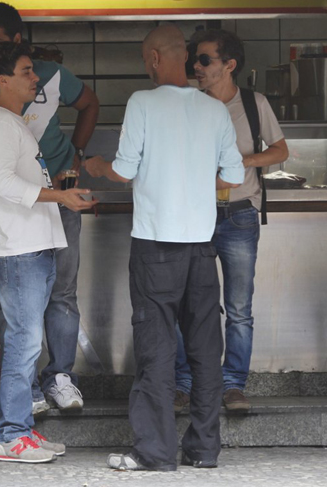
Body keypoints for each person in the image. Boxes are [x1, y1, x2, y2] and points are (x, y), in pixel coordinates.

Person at [84, 25, 244, 471]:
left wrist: (96, 165)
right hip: (201, 249)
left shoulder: (143, 103)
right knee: (204, 351)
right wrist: (193, 184)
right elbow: (232, 175)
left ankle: (155, 452)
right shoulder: (214, 109)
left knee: (156, 350)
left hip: (156, 247)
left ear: (154, 58)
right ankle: (204, 450)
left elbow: (123, 169)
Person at [0, 2, 100, 418]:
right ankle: (23, 397)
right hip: (19, 216)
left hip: (57, 205)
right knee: (19, 306)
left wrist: (76, 155)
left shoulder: (48, 76)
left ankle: (59, 377)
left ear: (18, 42)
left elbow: (90, 103)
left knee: (62, 293)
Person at [0, 41, 97, 463]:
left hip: (35, 248)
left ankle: (22, 429)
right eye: (27, 71)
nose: (35, 78)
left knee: (26, 343)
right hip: (22, 251)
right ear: (2, 79)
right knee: (24, 344)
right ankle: (12, 435)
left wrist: (60, 197)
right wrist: (59, 199)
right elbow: (4, 184)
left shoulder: (12, 123)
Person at [174, 29, 289, 413]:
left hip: (239, 215)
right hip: (197, 214)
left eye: (205, 60)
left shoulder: (254, 105)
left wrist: (243, 163)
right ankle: (185, 383)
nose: (196, 66)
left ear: (229, 65)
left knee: (239, 307)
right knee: (188, 303)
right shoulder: (190, 104)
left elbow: (280, 150)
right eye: (196, 59)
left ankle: (233, 384)